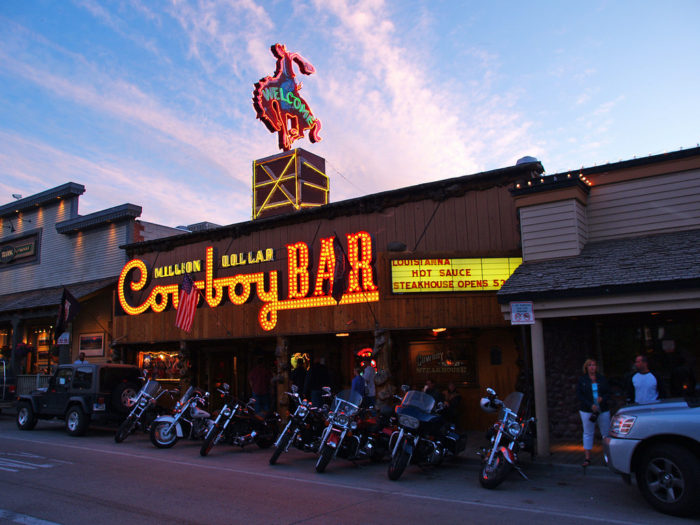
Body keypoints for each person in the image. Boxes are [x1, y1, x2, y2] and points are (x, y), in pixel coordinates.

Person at [576, 358, 611, 467]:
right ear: (586, 367)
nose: (592, 367)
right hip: (588, 409)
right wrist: (590, 405)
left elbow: (608, 392)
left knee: (605, 433)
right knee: (588, 432)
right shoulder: (583, 380)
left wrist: (602, 399)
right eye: (590, 365)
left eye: (594, 365)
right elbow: (580, 395)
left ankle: (608, 457)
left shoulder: (602, 379)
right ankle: (587, 457)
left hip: (602, 409)